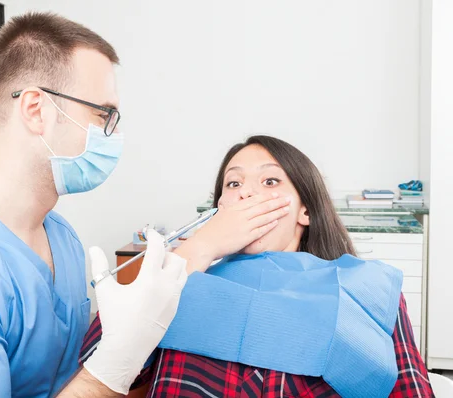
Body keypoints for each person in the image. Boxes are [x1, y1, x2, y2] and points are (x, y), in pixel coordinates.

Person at [0, 14, 291, 397]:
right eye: (103, 115)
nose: (114, 134)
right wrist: (111, 368)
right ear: (36, 109)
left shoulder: (60, 236)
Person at [80, 135, 435, 397]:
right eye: (233, 183)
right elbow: (96, 372)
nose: (246, 193)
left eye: (270, 181)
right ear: (218, 207)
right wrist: (199, 249)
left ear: (305, 210)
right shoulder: (179, 281)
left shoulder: (366, 287)